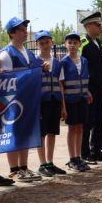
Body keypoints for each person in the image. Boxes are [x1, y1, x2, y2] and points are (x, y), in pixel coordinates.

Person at [0, 17, 42, 182]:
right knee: (14, 133)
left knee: (26, 133)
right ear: (12, 33)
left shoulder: (28, 52)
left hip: (28, 100)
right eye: (22, 30)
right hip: (13, 102)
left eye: (25, 29)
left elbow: (35, 68)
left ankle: (24, 167)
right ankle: (14, 169)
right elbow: (8, 80)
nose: (25, 32)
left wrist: (42, 68)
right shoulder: (6, 54)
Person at [79, 11, 102, 164]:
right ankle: (84, 153)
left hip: (100, 87)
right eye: (97, 25)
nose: (100, 28)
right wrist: (84, 88)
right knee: (87, 121)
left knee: (99, 120)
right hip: (88, 87)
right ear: (88, 26)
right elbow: (79, 66)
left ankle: (96, 150)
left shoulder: (99, 44)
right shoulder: (83, 44)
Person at [34, 30, 66, 177]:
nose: (44, 44)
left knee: (52, 132)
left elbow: (60, 84)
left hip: (55, 101)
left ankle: (50, 162)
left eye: (47, 41)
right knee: (42, 133)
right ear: (37, 44)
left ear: (52, 42)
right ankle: (42, 164)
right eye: (41, 42)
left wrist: (63, 106)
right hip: (41, 102)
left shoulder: (58, 63)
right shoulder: (34, 62)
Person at [60, 31, 93, 172]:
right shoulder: (63, 62)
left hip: (82, 99)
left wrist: (88, 92)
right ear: (65, 45)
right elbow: (61, 83)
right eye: (70, 42)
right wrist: (63, 105)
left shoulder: (84, 61)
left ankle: (78, 157)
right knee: (72, 128)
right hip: (70, 100)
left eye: (75, 42)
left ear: (79, 44)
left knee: (80, 128)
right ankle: (72, 158)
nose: (72, 45)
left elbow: (85, 79)